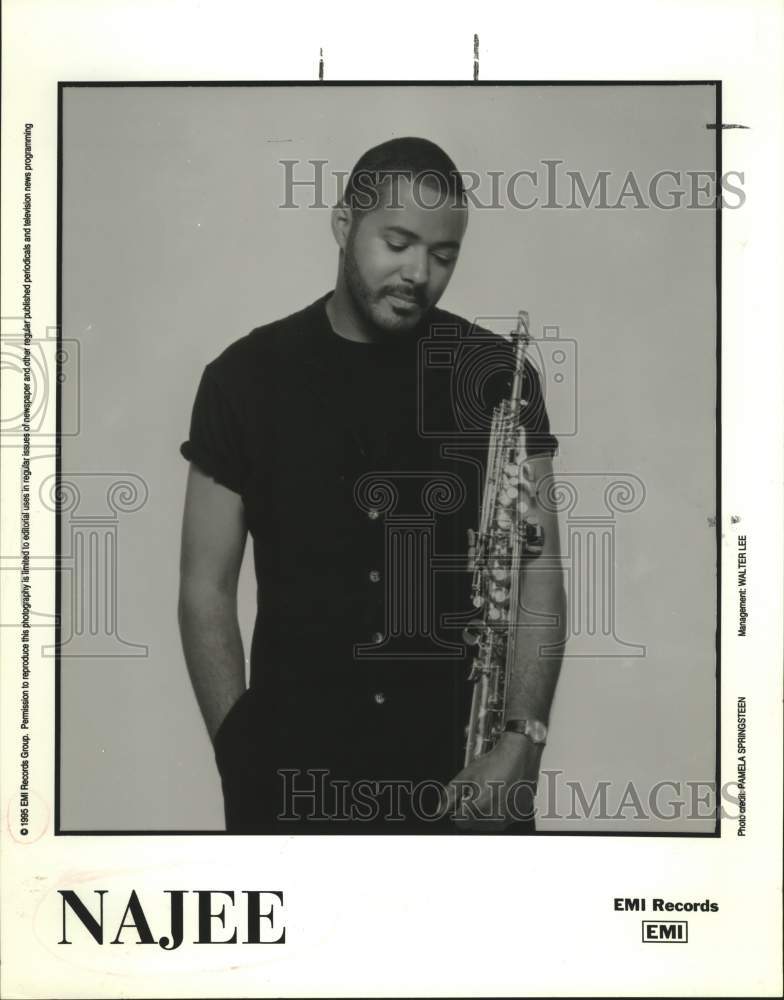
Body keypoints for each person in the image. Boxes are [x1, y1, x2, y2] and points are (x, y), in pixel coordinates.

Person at [178, 137, 566, 834]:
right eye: (397, 242)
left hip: (463, 780)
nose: (419, 271)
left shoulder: (498, 376)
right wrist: (239, 753)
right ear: (342, 223)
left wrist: (521, 742)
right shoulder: (242, 379)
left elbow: (540, 571)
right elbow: (205, 588)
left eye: (443, 255)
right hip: (293, 784)